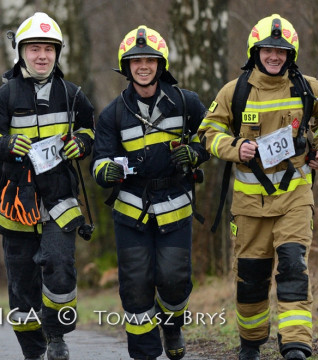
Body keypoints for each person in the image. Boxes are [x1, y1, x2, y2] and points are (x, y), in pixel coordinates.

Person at [197, 14, 318, 360]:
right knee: (252, 279)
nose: (274, 56)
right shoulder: (235, 91)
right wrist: (235, 148)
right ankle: (251, 341)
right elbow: (207, 133)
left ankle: (296, 344)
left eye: (282, 50)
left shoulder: (307, 87)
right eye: (268, 50)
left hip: (295, 197)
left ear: (291, 54)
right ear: (255, 51)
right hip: (249, 207)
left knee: (293, 266)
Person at [0, 12, 95, 360]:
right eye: (34, 49)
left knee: (59, 264)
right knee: (22, 284)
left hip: (60, 198)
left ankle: (56, 336)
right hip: (16, 201)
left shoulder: (73, 94)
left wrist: (82, 144)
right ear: (21, 52)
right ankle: (33, 351)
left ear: (57, 53)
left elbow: (91, 130)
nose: (41, 56)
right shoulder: (3, 95)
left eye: (48, 49)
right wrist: (7, 145)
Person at [92, 25, 209, 360]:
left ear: (161, 64)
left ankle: (172, 325)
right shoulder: (112, 113)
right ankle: (144, 353)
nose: (143, 65)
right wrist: (106, 171)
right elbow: (98, 161)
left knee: (174, 280)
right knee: (135, 287)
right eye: (135, 60)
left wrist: (196, 152)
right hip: (130, 211)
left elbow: (212, 134)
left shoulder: (186, 103)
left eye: (150, 60)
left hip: (175, 206)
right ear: (126, 67)